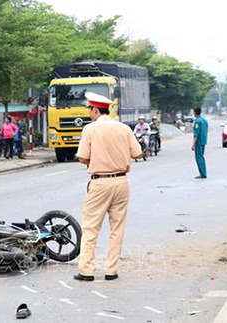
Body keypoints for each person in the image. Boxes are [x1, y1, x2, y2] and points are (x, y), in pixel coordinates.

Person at [73, 92, 142, 282]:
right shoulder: (123, 128)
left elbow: (83, 158)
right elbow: (137, 152)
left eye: (90, 110)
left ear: (95, 110)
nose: (89, 114)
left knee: (90, 228)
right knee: (117, 228)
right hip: (121, 182)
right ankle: (111, 270)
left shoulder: (90, 129)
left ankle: (87, 271)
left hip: (100, 183)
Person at [191, 107, 208, 179]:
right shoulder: (204, 120)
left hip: (199, 142)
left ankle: (203, 173)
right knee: (202, 156)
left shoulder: (197, 121)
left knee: (199, 158)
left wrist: (193, 144)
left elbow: (196, 134)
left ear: (195, 112)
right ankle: (203, 172)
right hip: (204, 141)